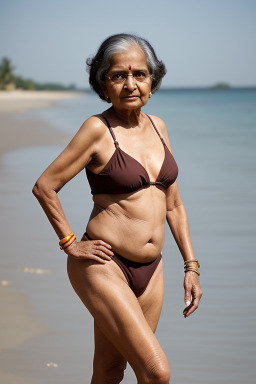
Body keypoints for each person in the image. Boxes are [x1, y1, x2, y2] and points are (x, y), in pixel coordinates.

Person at [33, 33, 203, 384]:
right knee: (156, 373)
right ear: (103, 83)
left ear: (152, 81)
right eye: (118, 76)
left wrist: (191, 265)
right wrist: (69, 243)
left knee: (110, 371)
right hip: (103, 265)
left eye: (139, 74)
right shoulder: (97, 130)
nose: (130, 84)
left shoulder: (159, 128)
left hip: (152, 270)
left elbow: (173, 203)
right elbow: (45, 185)